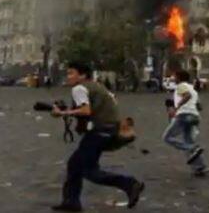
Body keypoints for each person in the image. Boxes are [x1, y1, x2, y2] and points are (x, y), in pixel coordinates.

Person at [51, 61, 144, 212]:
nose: (68, 76)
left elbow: (86, 110)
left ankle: (129, 184)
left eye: (71, 73)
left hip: (98, 131)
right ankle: (71, 202)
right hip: (109, 130)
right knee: (74, 165)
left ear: (82, 75)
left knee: (89, 171)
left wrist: (62, 113)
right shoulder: (98, 86)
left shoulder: (79, 88)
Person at [162, 70, 209, 177]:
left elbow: (187, 96)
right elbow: (199, 106)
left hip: (184, 115)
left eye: (174, 76)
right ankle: (200, 167)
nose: (173, 78)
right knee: (188, 141)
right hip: (195, 117)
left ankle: (193, 149)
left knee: (167, 137)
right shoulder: (193, 89)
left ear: (179, 77)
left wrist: (177, 106)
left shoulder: (181, 86)